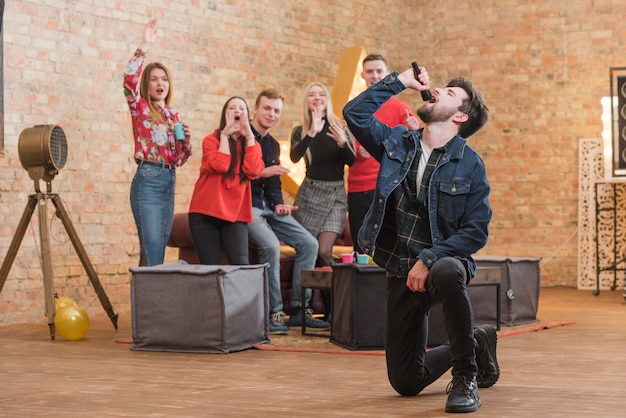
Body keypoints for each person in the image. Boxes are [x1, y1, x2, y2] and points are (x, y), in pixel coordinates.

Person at [343, 65, 499, 414]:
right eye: (440, 87)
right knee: (406, 382)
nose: (438, 91)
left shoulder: (470, 164)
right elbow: (354, 113)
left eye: (450, 92)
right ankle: (477, 340)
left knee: (445, 270)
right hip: (401, 269)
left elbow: (476, 231)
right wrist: (400, 81)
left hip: (442, 263)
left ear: (460, 115)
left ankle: (465, 377)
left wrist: (429, 258)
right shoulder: (397, 142)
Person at [247, 89, 330, 334]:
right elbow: (240, 175)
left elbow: (274, 183)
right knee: (271, 246)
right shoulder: (242, 138)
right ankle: (275, 311)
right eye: (267, 108)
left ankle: (298, 310)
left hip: (269, 208)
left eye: (276, 111)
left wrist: (278, 204)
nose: (272, 114)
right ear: (255, 109)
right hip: (247, 207)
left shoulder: (272, 144)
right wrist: (264, 176)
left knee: (309, 243)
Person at [124, 18, 192, 266]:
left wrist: (186, 142)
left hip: (168, 180)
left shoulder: (174, 115)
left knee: (157, 252)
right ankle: (149, 305)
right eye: (154, 79)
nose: (160, 83)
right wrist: (145, 43)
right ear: (146, 84)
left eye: (164, 79)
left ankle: (145, 304)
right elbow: (128, 80)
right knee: (152, 251)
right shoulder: (139, 107)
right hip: (148, 181)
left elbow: (180, 158)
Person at [347, 54, 420, 254]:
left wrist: (415, 129)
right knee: (360, 247)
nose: (375, 75)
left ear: (387, 74)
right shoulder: (354, 108)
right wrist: (353, 150)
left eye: (379, 71)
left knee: (388, 246)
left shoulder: (402, 109)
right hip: (358, 187)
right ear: (362, 75)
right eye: (370, 71)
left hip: (389, 186)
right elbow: (343, 149)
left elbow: (415, 151)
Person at [188, 96, 264, 265]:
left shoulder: (253, 145)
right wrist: (224, 135)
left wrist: (250, 137)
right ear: (225, 115)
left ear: (247, 116)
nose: (237, 111)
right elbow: (220, 166)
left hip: (235, 215)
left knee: (241, 267)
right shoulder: (211, 140)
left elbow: (253, 171)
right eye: (232, 108)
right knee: (210, 270)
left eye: (241, 109)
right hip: (205, 212)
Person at [290, 83, 355, 268]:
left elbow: (351, 161)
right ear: (306, 101)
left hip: (335, 196)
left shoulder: (339, 127)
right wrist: (311, 133)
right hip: (308, 196)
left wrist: (343, 142)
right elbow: (294, 158)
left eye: (321, 94)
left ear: (327, 100)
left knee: (324, 251)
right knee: (308, 253)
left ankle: (338, 296)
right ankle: (307, 297)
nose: (317, 98)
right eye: (312, 95)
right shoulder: (299, 131)